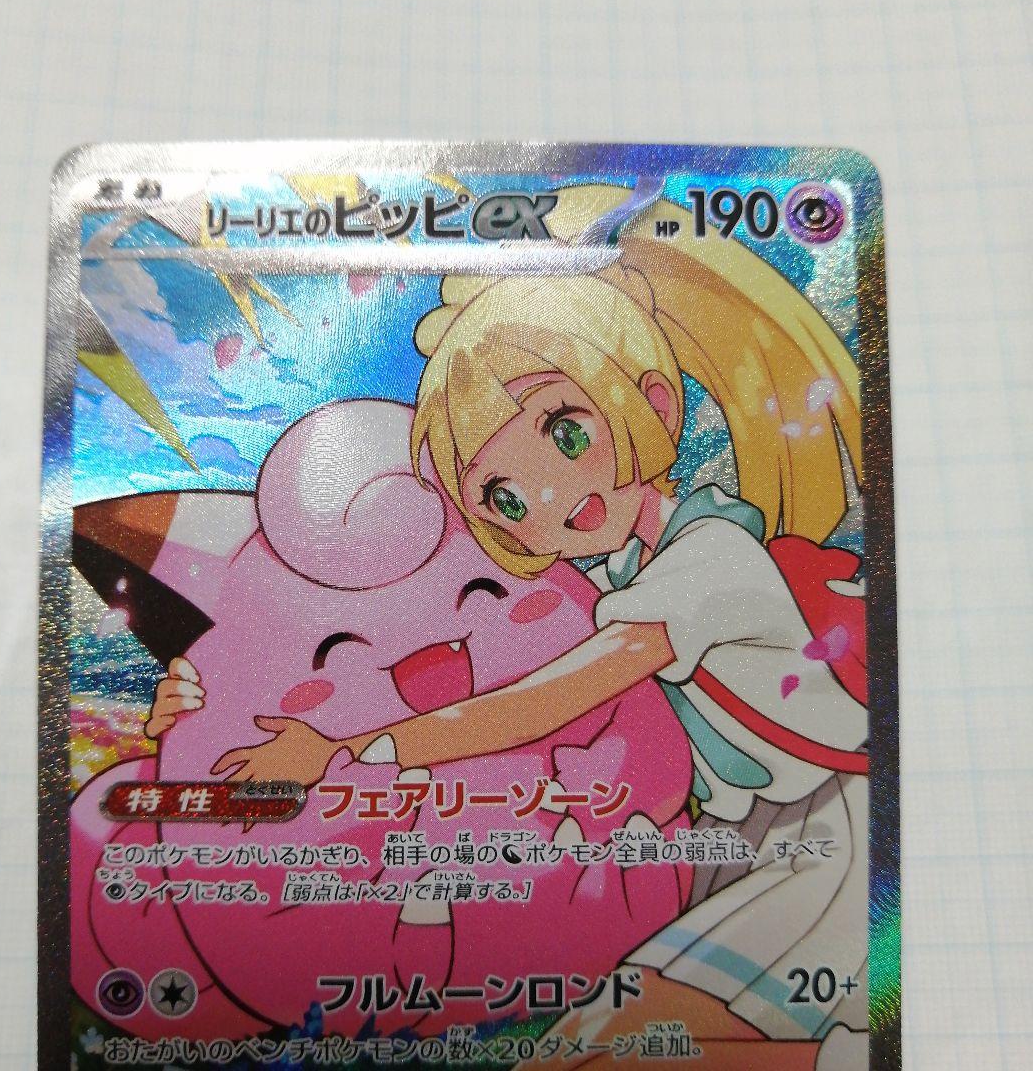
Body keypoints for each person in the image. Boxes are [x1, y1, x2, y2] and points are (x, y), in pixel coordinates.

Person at [157, 183, 870, 1066]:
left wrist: (354, 751)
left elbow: (550, 698)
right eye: (505, 496)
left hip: (819, 844)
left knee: (625, 1046)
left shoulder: (711, 559)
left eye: (566, 433)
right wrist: (197, 690)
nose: (553, 497)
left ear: (654, 404)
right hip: (716, 846)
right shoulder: (606, 571)